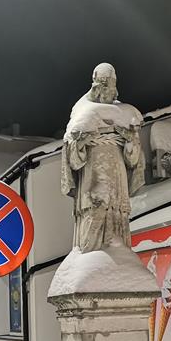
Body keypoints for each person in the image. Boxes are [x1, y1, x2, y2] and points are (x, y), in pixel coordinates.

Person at [60, 62, 145, 251]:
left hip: (117, 179)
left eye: (111, 86)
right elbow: (74, 161)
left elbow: (133, 160)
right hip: (92, 178)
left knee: (117, 216)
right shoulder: (82, 112)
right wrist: (80, 143)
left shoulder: (124, 114)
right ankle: (91, 255)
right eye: (104, 85)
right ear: (96, 84)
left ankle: (118, 254)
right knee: (94, 212)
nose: (109, 91)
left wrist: (130, 140)